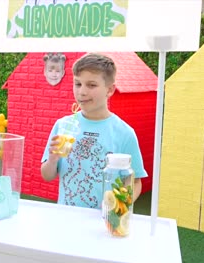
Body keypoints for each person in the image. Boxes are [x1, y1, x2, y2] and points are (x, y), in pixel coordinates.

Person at [41, 52, 147, 209]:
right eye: (78, 84)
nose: (82, 92)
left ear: (109, 90)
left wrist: (118, 208)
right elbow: (47, 175)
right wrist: (52, 160)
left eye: (91, 85)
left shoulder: (124, 133)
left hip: (102, 223)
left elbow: (135, 181)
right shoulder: (63, 125)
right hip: (65, 218)